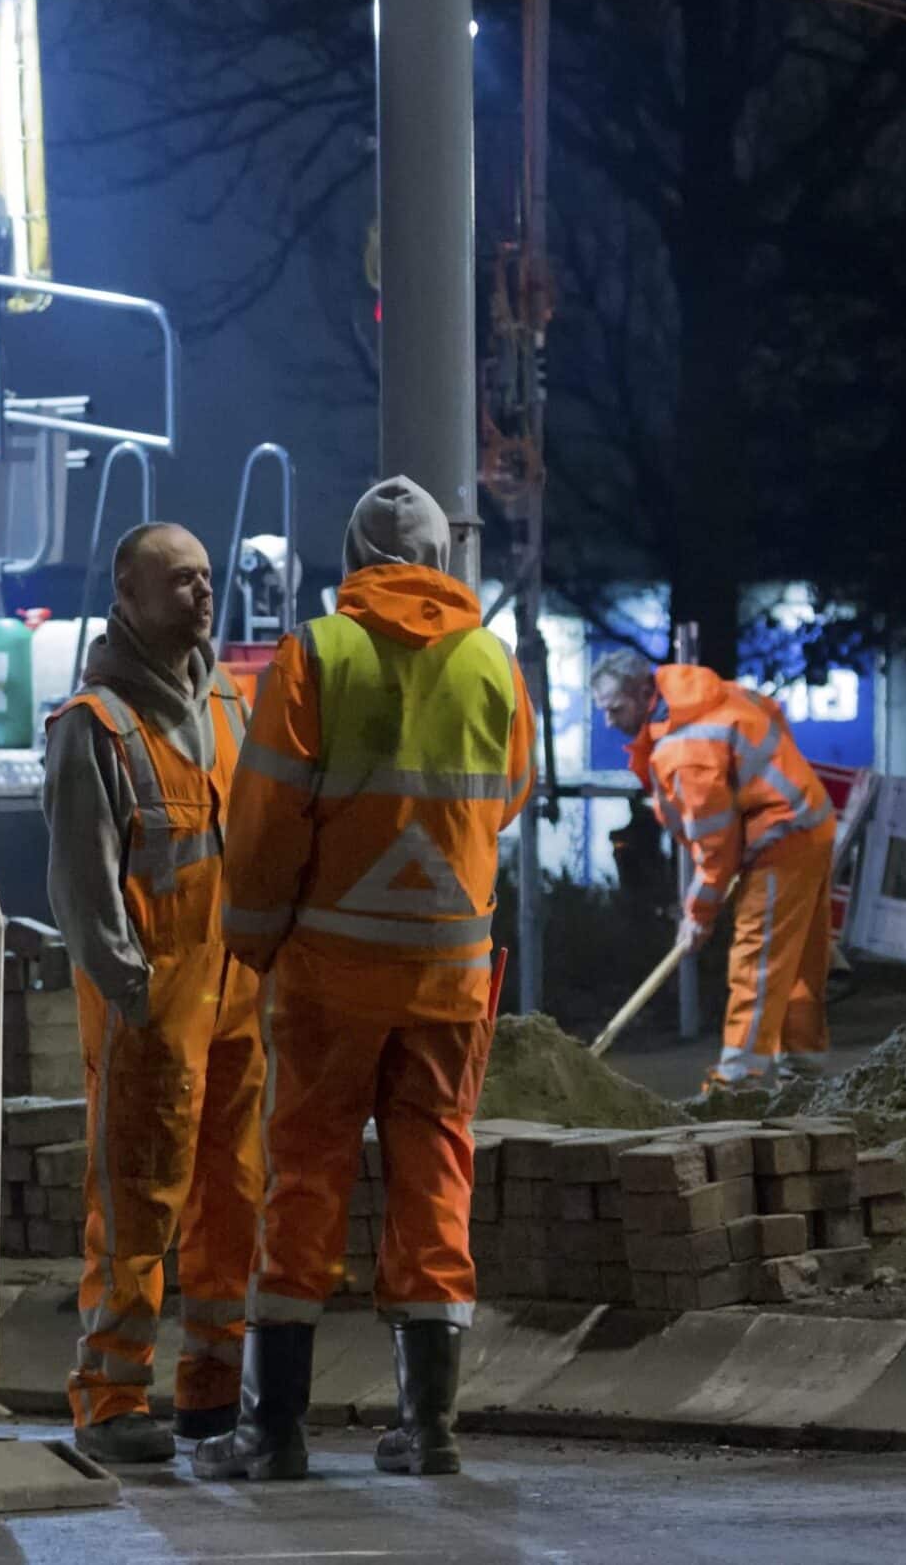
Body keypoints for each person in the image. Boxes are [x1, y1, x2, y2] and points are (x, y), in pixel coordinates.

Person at [197, 476, 532, 1483]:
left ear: (352, 560)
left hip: (330, 972)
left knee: (302, 1176)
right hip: (449, 973)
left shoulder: (316, 651)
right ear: (442, 559)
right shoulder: (492, 662)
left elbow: (264, 816)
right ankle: (429, 1428)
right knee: (434, 1178)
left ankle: (273, 1430)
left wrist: (252, 938)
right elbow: (503, 799)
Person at [42, 522, 264, 1465]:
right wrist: (131, 991)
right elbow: (84, 887)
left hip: (236, 991)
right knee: (137, 1200)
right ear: (127, 594)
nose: (202, 593)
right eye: (180, 580)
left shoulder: (229, 705)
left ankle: (212, 1391)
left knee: (233, 1196)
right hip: (154, 999)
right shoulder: (94, 725)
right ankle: (110, 1396)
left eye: (206, 577)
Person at [589, 647, 834, 1090]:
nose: (609, 721)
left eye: (615, 709)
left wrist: (698, 915)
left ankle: (738, 1084)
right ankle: (804, 1070)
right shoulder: (699, 694)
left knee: (757, 959)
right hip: (808, 819)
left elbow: (715, 847)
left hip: (779, 837)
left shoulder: (685, 750)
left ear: (644, 692)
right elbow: (771, 712)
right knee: (796, 957)